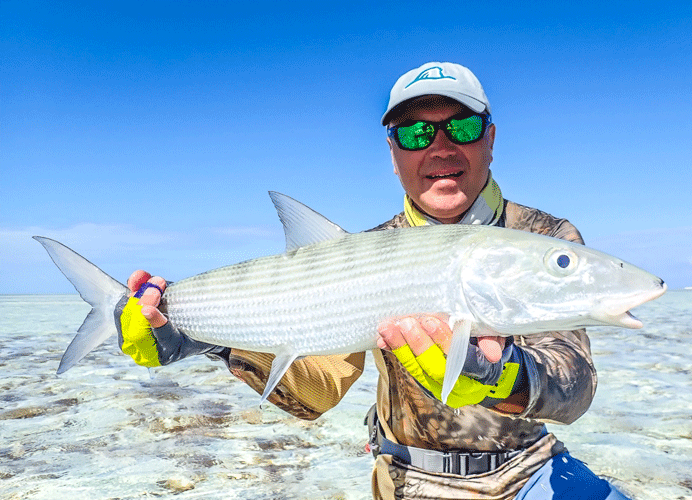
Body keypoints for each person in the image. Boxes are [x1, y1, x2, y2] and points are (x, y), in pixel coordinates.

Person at [118, 62, 630, 499]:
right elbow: (313, 395)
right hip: (408, 482)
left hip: (530, 473)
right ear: (393, 154)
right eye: (415, 133)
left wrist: (499, 376)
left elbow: (575, 386)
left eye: (463, 127)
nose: (440, 146)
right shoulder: (358, 254)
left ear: (490, 139)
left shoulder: (544, 237)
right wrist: (208, 339)